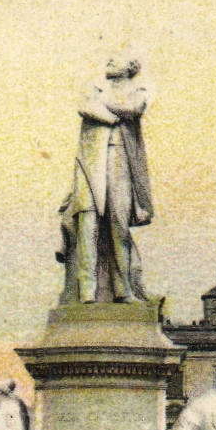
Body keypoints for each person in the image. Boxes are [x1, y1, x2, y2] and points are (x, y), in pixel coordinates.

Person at [57, 53, 153, 304]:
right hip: (92, 163)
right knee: (88, 225)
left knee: (119, 224)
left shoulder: (138, 91)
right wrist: (113, 116)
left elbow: (134, 109)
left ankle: (124, 290)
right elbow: (84, 106)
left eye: (117, 59)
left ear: (130, 68)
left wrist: (101, 106)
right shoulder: (95, 88)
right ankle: (86, 291)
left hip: (121, 159)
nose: (109, 60)